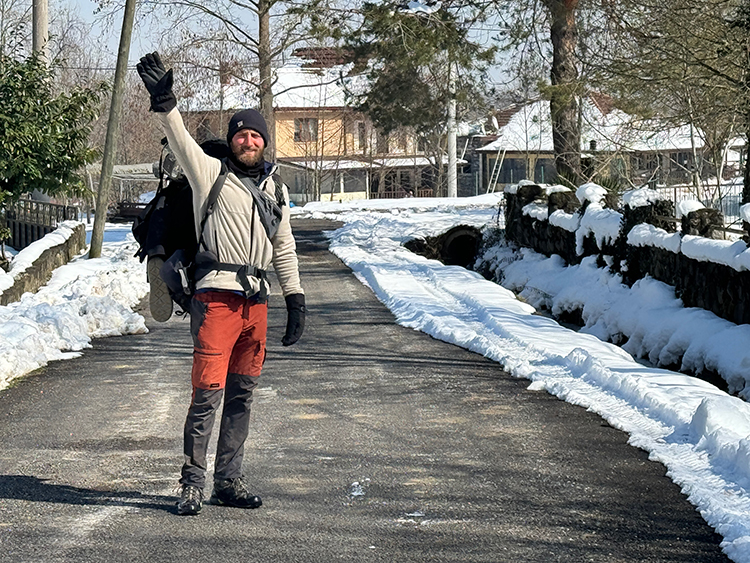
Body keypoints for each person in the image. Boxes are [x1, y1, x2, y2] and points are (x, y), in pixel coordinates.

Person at [137, 52, 306, 516]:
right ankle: (192, 482)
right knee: (207, 395)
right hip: (215, 298)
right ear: (231, 140)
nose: (248, 140)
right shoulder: (209, 174)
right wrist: (165, 100)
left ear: (265, 143)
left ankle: (227, 481)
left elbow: (285, 247)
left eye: (255, 135)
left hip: (257, 303)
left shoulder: (276, 190)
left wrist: (295, 298)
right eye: (240, 134)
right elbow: (182, 140)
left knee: (242, 395)